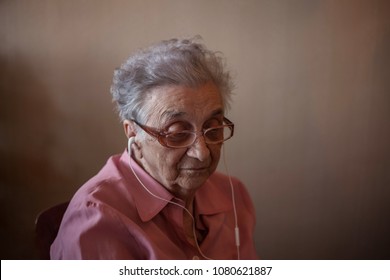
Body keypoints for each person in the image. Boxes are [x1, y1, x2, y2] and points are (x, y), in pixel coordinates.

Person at [50, 37, 258, 260]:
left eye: (213, 129)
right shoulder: (96, 220)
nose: (202, 153)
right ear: (133, 132)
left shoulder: (233, 195)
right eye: (177, 133)